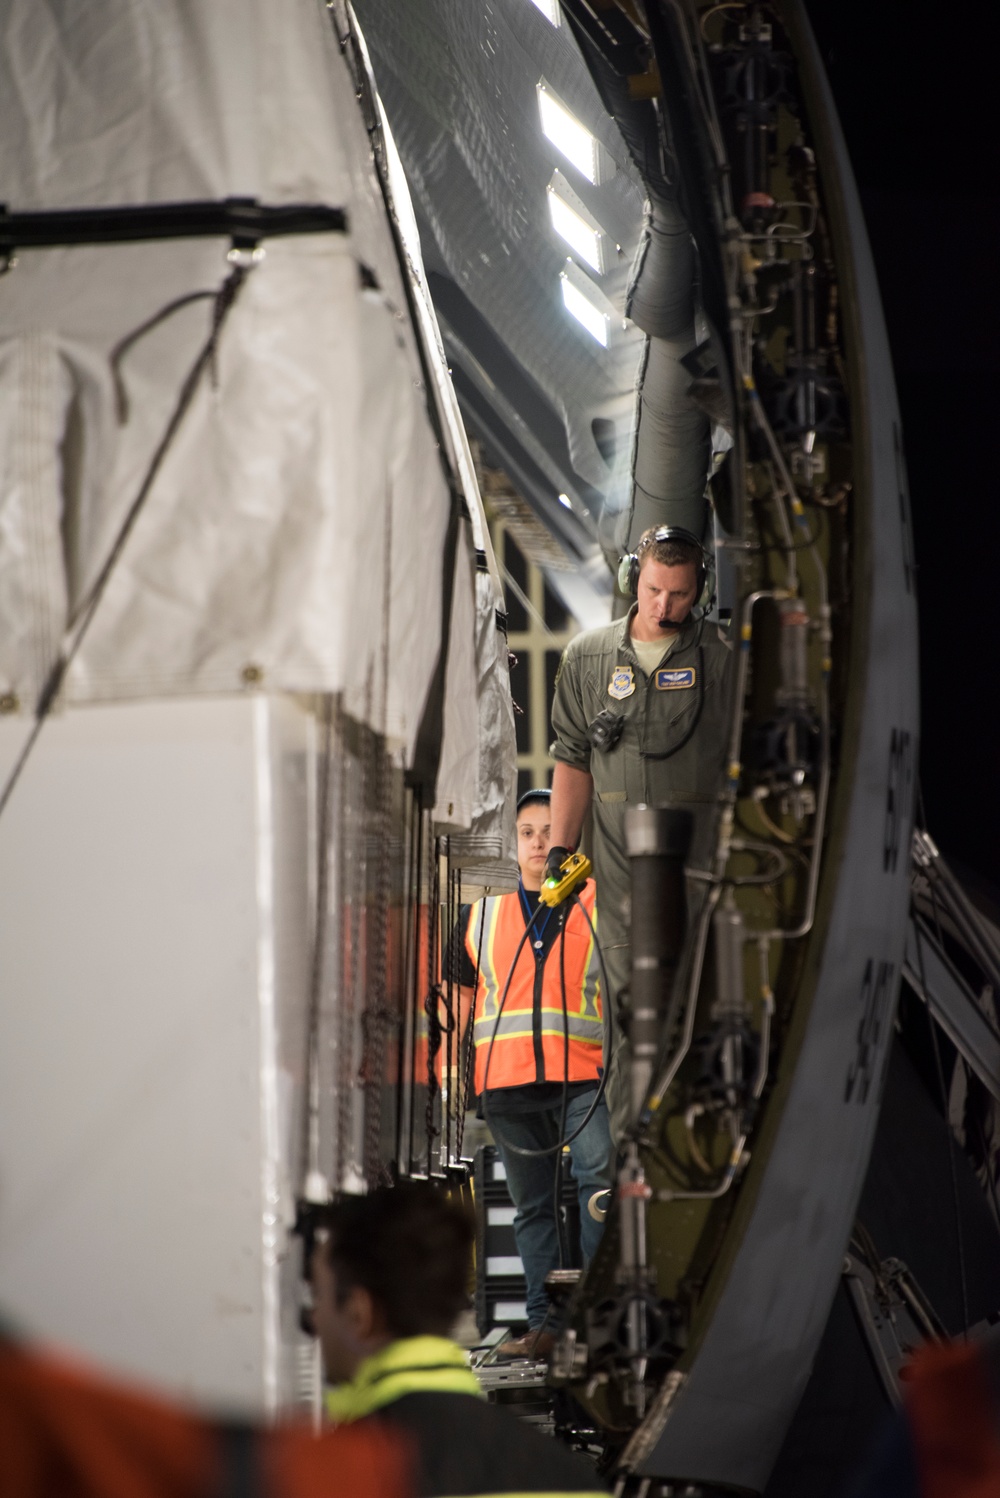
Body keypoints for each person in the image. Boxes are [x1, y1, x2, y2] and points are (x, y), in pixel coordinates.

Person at [548, 526, 732, 1143]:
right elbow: (572, 761)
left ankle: (707, 1153)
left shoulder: (727, 658)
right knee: (629, 1027)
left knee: (710, 1015)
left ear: (699, 591)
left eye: (679, 594)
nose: (664, 606)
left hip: (708, 883)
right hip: (624, 893)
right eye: (654, 589)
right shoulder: (588, 658)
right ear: (635, 580)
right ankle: (634, 1167)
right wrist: (558, 851)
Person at [311, 1183, 608, 1498]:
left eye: (318, 1296)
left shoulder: (316, 1477)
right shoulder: (567, 1477)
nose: (313, 1318)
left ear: (359, 1313)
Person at [456, 787, 613, 1358]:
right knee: (534, 1209)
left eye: (549, 830)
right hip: (507, 1083)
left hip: (582, 1078)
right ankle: (545, 1327)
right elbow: (458, 997)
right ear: (513, 841)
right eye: (527, 832)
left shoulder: (599, 902)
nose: (539, 842)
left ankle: (596, 1317)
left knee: (601, 1178)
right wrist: (451, 1070)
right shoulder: (482, 912)